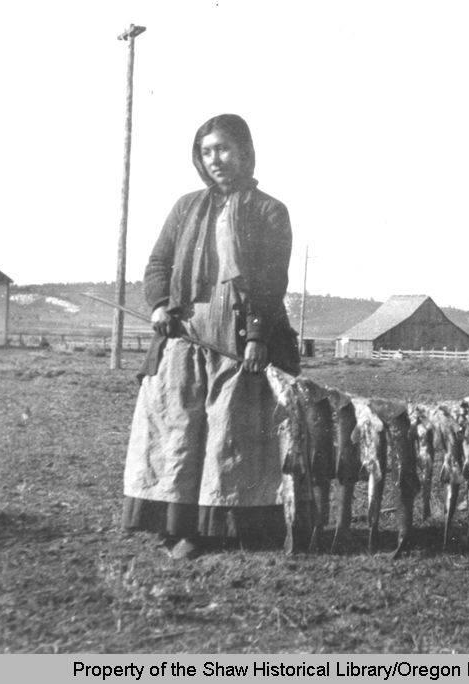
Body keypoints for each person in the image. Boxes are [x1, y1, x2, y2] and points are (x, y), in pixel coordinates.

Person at [122, 114, 300, 560]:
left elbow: (271, 282)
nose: (215, 159)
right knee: (180, 431)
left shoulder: (270, 212)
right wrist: (160, 305)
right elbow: (158, 264)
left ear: (245, 152)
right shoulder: (186, 208)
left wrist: (257, 336)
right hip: (185, 339)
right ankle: (177, 525)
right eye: (206, 152)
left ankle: (218, 530)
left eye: (223, 149)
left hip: (238, 342)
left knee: (229, 436)